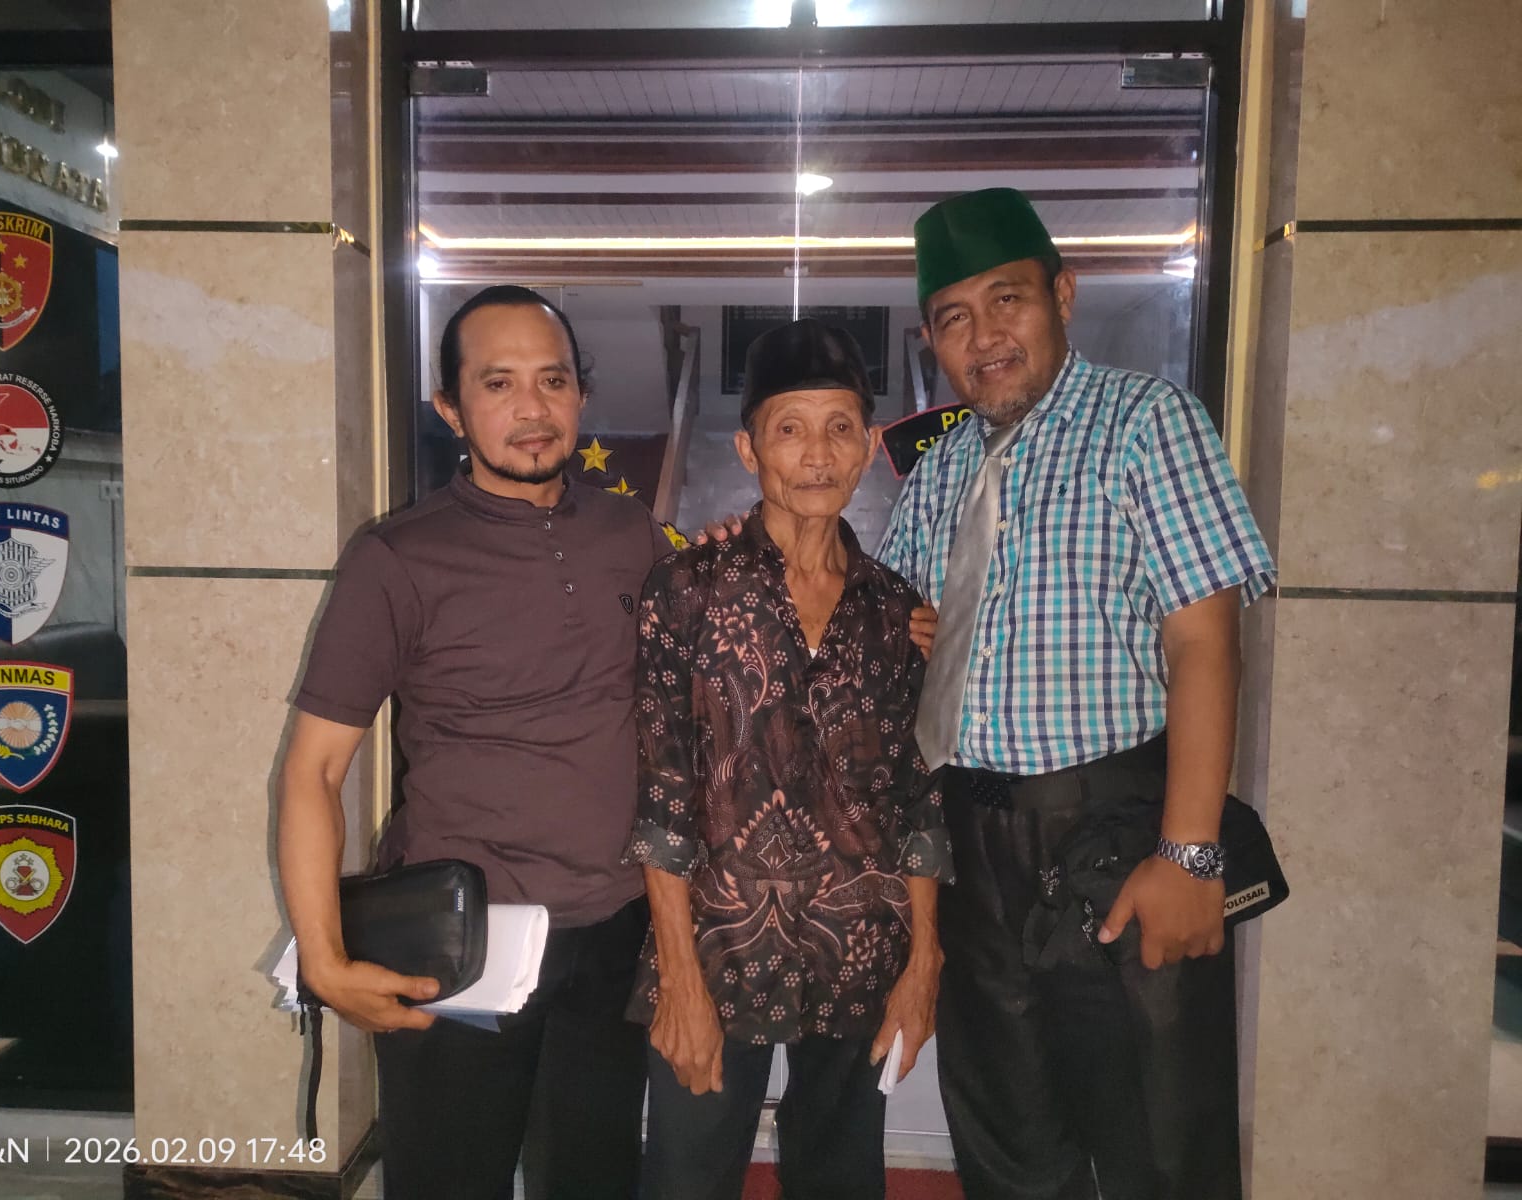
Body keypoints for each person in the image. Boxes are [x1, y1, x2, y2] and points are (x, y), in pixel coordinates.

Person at [875, 187, 1276, 1200]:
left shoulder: (1145, 423)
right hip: (969, 853)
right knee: (1009, 1153)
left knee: (1159, 1151)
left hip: (1115, 837)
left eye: (1005, 301)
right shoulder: (939, 472)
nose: (983, 338)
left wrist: (1189, 854)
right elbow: (891, 635)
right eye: (953, 319)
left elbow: (1204, 641)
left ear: (1061, 295)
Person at [277, 285, 673, 1200]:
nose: (532, 409)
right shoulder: (397, 558)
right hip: (458, 943)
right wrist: (325, 961)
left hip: (613, 935)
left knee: (595, 1182)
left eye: (553, 380)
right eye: (498, 384)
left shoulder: (631, 534)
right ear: (451, 408)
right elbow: (313, 772)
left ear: (581, 395)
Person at [625, 319, 953, 1200]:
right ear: (748, 449)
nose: (817, 454)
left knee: (843, 1178)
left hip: (860, 948)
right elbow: (662, 800)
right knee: (687, 1177)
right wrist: (679, 981)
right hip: (716, 948)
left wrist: (924, 962)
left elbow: (916, 802)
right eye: (790, 429)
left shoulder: (896, 611)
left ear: (869, 446)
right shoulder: (687, 591)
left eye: (840, 427)